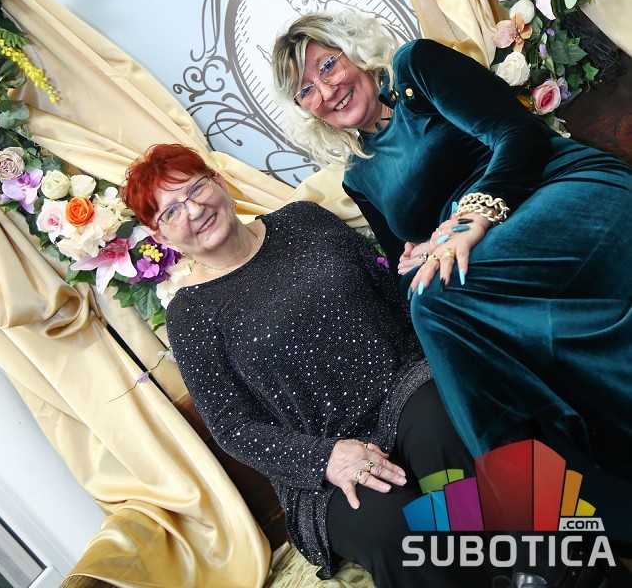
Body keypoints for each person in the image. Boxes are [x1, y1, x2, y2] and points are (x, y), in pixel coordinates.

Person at [270, 11, 632, 513]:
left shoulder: (416, 66)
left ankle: (530, 501)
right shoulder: (359, 175)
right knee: (429, 298)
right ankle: (561, 492)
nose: (327, 91)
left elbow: (516, 134)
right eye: (306, 90)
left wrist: (470, 216)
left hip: (560, 190)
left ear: (353, 50)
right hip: (485, 253)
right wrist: (413, 259)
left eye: (327, 65)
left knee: (437, 300)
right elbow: (404, 271)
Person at [120, 143, 482, 588]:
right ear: (161, 237)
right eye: (171, 212)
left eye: (196, 189)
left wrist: (415, 275)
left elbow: (387, 289)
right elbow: (233, 427)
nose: (194, 211)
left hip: (402, 389)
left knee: (446, 441)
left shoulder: (303, 220)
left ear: (220, 182)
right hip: (319, 460)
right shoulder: (190, 315)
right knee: (396, 529)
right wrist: (326, 457)